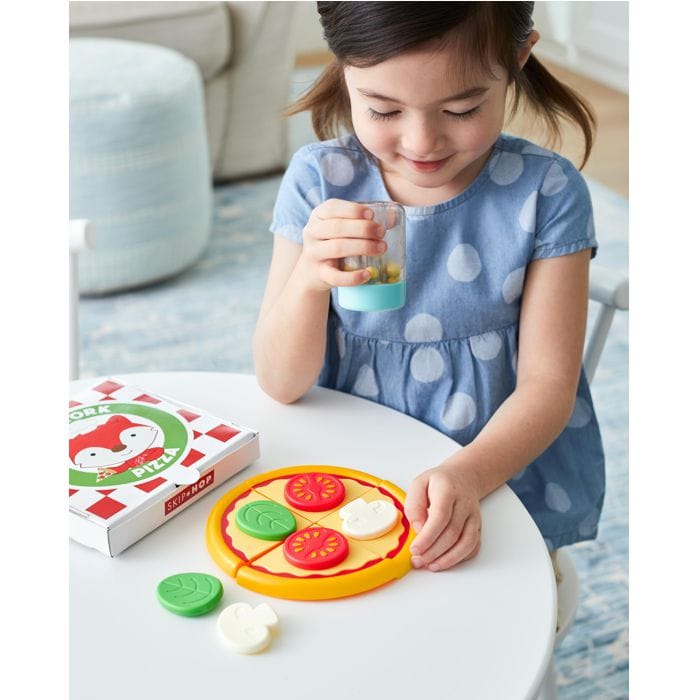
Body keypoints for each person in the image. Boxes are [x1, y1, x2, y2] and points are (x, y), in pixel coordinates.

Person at [253, 1, 605, 574]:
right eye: (383, 109)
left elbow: (548, 386)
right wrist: (309, 281)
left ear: (518, 57)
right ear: (343, 65)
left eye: (462, 108)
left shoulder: (547, 192)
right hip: (348, 476)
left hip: (495, 472)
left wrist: (468, 474)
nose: (421, 143)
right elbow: (279, 382)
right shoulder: (319, 181)